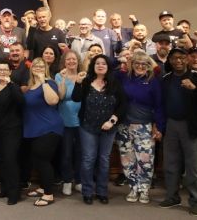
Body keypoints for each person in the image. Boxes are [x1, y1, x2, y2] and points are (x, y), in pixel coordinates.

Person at [159, 48, 197, 217]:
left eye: (181, 58)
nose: (178, 61)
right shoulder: (166, 79)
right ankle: (172, 197)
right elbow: (161, 103)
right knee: (170, 164)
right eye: (174, 58)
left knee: (194, 168)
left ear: (187, 59)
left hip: (192, 127)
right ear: (169, 61)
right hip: (171, 125)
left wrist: (195, 88)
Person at [72, 54, 126, 205]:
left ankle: (102, 191)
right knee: (88, 159)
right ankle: (87, 191)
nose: (100, 65)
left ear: (108, 66)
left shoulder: (114, 83)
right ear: (93, 66)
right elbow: (76, 98)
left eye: (103, 63)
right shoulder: (87, 81)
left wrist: (113, 120)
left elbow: (123, 105)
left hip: (108, 128)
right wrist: (77, 83)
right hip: (87, 127)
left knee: (104, 160)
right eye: (97, 63)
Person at [116, 50, 164, 204]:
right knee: (127, 159)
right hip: (124, 126)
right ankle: (133, 188)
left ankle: (144, 190)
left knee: (145, 160)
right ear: (132, 64)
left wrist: (159, 126)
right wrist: (122, 59)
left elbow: (159, 106)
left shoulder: (153, 81)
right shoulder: (124, 77)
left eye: (144, 64)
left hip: (144, 126)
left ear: (148, 66)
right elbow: (108, 68)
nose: (140, 66)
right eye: (137, 63)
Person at [22, 57, 63, 207]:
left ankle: (48, 194)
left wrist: (43, 81)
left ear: (45, 68)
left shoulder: (49, 83)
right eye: (35, 65)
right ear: (31, 68)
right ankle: (43, 187)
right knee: (38, 160)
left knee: (43, 161)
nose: (38, 67)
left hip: (49, 128)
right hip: (35, 129)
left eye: (41, 66)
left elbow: (53, 101)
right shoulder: (30, 86)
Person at [0, 61, 24, 205]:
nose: (2, 72)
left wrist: (10, 84)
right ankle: (5, 189)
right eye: (0, 69)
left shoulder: (13, 87)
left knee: (10, 160)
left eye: (5, 69)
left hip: (12, 130)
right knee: (1, 160)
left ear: (10, 72)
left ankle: (14, 193)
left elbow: (21, 102)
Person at [55, 50, 83, 196]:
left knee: (80, 152)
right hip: (65, 121)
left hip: (81, 121)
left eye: (74, 59)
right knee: (66, 154)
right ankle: (67, 181)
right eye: (68, 60)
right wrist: (64, 80)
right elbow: (60, 96)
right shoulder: (59, 76)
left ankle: (78, 180)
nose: (71, 62)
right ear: (64, 62)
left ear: (78, 61)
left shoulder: (83, 76)